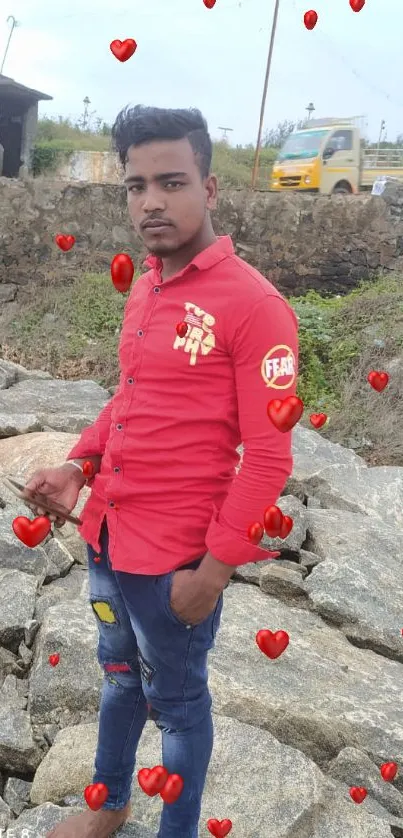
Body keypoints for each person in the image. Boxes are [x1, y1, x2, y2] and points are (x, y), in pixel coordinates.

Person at [24, 105, 299, 838]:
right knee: (116, 676)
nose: (150, 201)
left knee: (178, 708)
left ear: (209, 189)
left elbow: (270, 454)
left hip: (174, 560)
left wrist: (211, 573)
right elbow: (131, 399)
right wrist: (78, 464)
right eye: (135, 185)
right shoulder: (146, 285)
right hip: (108, 534)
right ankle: (107, 805)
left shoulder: (255, 306)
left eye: (170, 182)